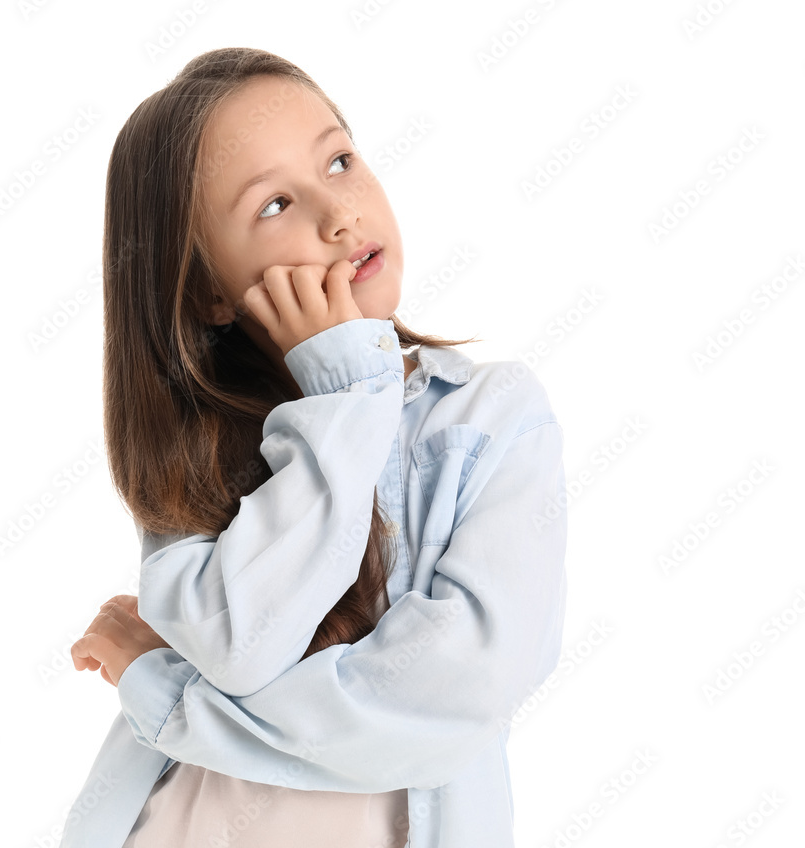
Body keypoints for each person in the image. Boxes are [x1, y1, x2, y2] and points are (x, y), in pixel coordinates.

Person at [60, 46, 568, 848]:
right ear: (208, 291)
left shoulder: (491, 421)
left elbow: (445, 703)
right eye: (273, 205)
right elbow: (241, 641)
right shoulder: (199, 453)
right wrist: (343, 397)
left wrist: (167, 693)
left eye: (339, 159)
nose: (339, 215)